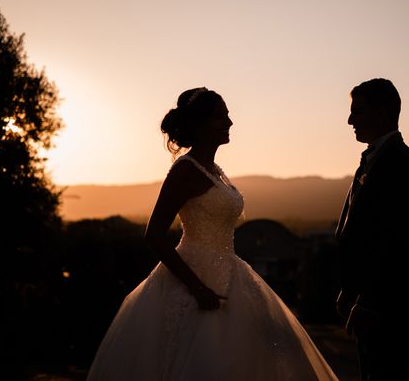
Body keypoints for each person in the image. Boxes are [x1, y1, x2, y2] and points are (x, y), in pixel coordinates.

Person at [87, 87, 338, 381]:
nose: (230, 122)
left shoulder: (214, 170)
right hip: (193, 276)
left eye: (228, 115)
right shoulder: (185, 171)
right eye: (221, 117)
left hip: (230, 270)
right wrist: (196, 287)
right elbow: (154, 234)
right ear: (199, 124)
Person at [335, 78, 409, 381]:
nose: (350, 120)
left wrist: (369, 302)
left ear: (382, 112)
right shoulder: (377, 158)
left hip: (387, 310)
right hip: (371, 302)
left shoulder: (398, 162)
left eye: (357, 112)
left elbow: (396, 243)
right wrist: (349, 288)